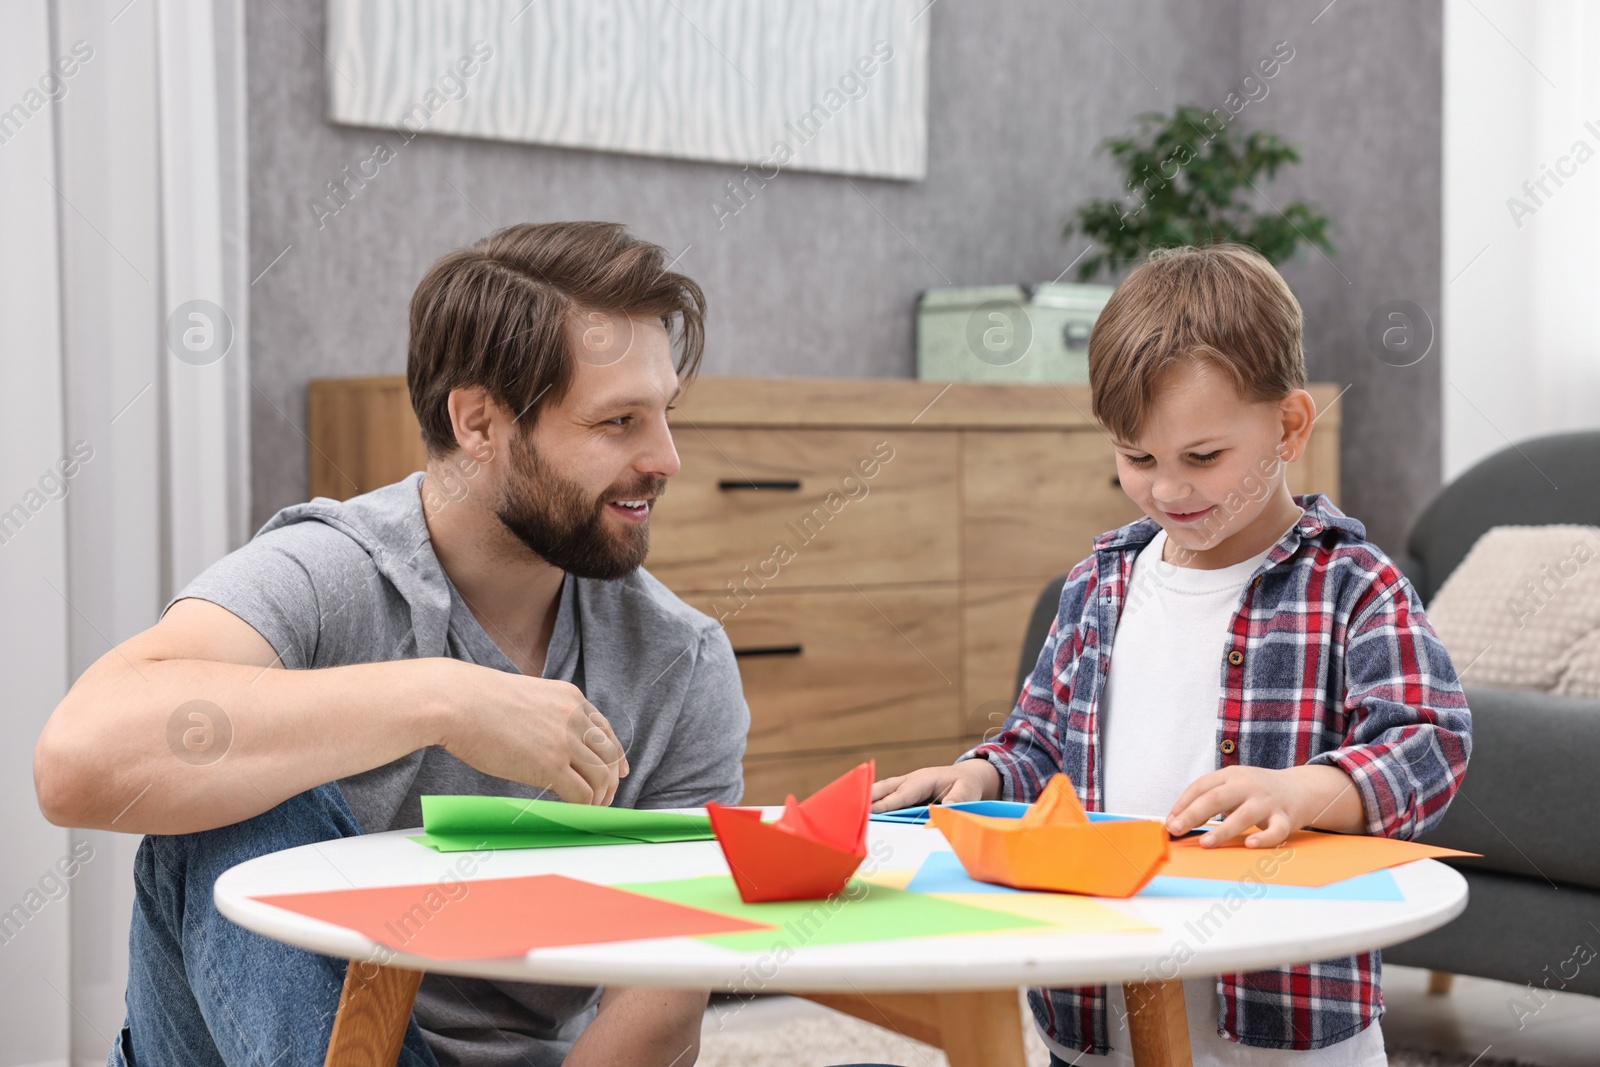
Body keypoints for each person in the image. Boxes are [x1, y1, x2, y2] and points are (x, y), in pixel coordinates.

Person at [34, 221, 749, 1067]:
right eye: (618, 421)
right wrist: (443, 699)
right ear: (479, 422)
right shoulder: (327, 571)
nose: (664, 457)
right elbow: (76, 760)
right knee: (234, 786)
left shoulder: (681, 662)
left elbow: (660, 1011)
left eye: (665, 414)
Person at [870, 244, 1471, 1066]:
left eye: (1203, 458)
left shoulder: (1353, 585)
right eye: (1137, 458)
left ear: (1290, 426)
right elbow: (1041, 743)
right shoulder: (1098, 585)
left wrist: (1307, 789)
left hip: (1284, 1017)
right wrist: (976, 777)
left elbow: (1430, 739)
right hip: (1098, 1006)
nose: (1168, 491)